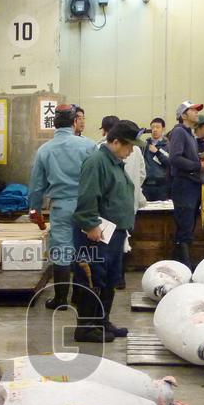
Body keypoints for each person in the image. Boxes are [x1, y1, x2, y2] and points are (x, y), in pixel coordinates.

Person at [73, 120, 145, 342]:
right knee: (92, 278)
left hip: (114, 233)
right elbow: (87, 196)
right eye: (129, 146)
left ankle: (101, 322)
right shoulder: (97, 162)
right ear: (115, 142)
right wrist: (90, 224)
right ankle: (85, 328)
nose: (131, 151)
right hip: (97, 234)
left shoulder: (113, 162)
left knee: (109, 279)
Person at [28, 104, 98, 310]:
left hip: (60, 207)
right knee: (84, 251)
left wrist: (34, 210)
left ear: (53, 124)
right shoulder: (89, 146)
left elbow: (36, 187)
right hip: (87, 206)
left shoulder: (44, 150)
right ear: (75, 121)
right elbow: (99, 180)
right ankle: (80, 295)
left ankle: (60, 300)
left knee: (61, 251)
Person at [168, 99, 204, 267]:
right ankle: (185, 267)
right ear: (183, 115)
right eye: (193, 110)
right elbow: (175, 158)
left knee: (187, 228)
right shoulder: (179, 132)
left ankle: (179, 265)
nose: (197, 112)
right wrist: (197, 165)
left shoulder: (189, 134)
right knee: (185, 229)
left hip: (192, 185)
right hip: (184, 186)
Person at [142, 117, 170, 202]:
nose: (154, 130)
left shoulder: (168, 145)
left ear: (163, 129)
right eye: (152, 127)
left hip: (162, 185)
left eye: (157, 127)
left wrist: (157, 152)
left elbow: (169, 163)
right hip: (146, 185)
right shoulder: (144, 145)